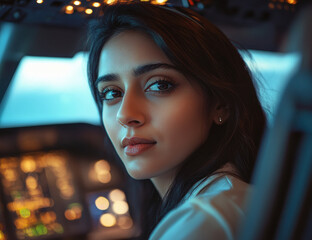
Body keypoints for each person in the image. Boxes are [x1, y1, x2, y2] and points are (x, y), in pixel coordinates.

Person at [87, 3, 266, 239]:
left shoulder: (205, 221)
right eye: (111, 93)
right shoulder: (233, 200)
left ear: (220, 104)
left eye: (160, 85)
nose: (125, 114)